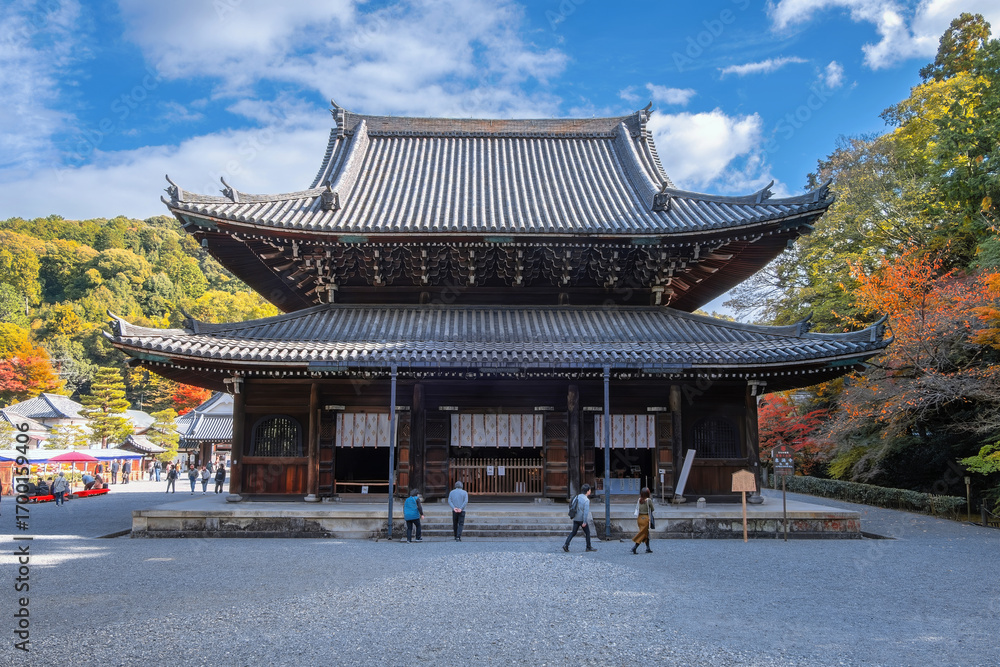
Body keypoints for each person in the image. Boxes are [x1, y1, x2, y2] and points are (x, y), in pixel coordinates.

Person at [563, 484, 597, 553]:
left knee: (573, 532)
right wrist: (584, 521)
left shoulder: (577, 497)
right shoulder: (586, 500)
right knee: (587, 533)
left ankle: (566, 544)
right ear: (587, 491)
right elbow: (585, 512)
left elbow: (572, 505)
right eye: (589, 490)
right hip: (581, 519)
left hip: (576, 518)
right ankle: (588, 547)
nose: (590, 491)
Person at [631, 487, 655, 554]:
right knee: (643, 533)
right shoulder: (649, 500)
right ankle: (634, 547)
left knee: (646, 533)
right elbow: (652, 509)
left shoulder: (639, 500)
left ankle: (648, 548)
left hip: (639, 518)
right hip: (645, 518)